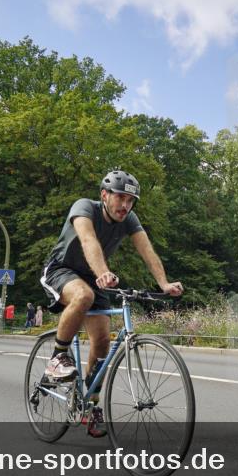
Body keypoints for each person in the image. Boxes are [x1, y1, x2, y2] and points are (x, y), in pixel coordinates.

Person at [40, 169, 183, 438]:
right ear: (104, 195)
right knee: (84, 295)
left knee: (103, 341)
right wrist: (102, 272)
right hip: (62, 269)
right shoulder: (85, 207)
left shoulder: (129, 219)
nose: (126, 206)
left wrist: (163, 283)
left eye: (131, 201)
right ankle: (58, 356)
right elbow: (88, 239)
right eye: (120, 198)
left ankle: (90, 405)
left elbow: (146, 249)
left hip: (96, 276)